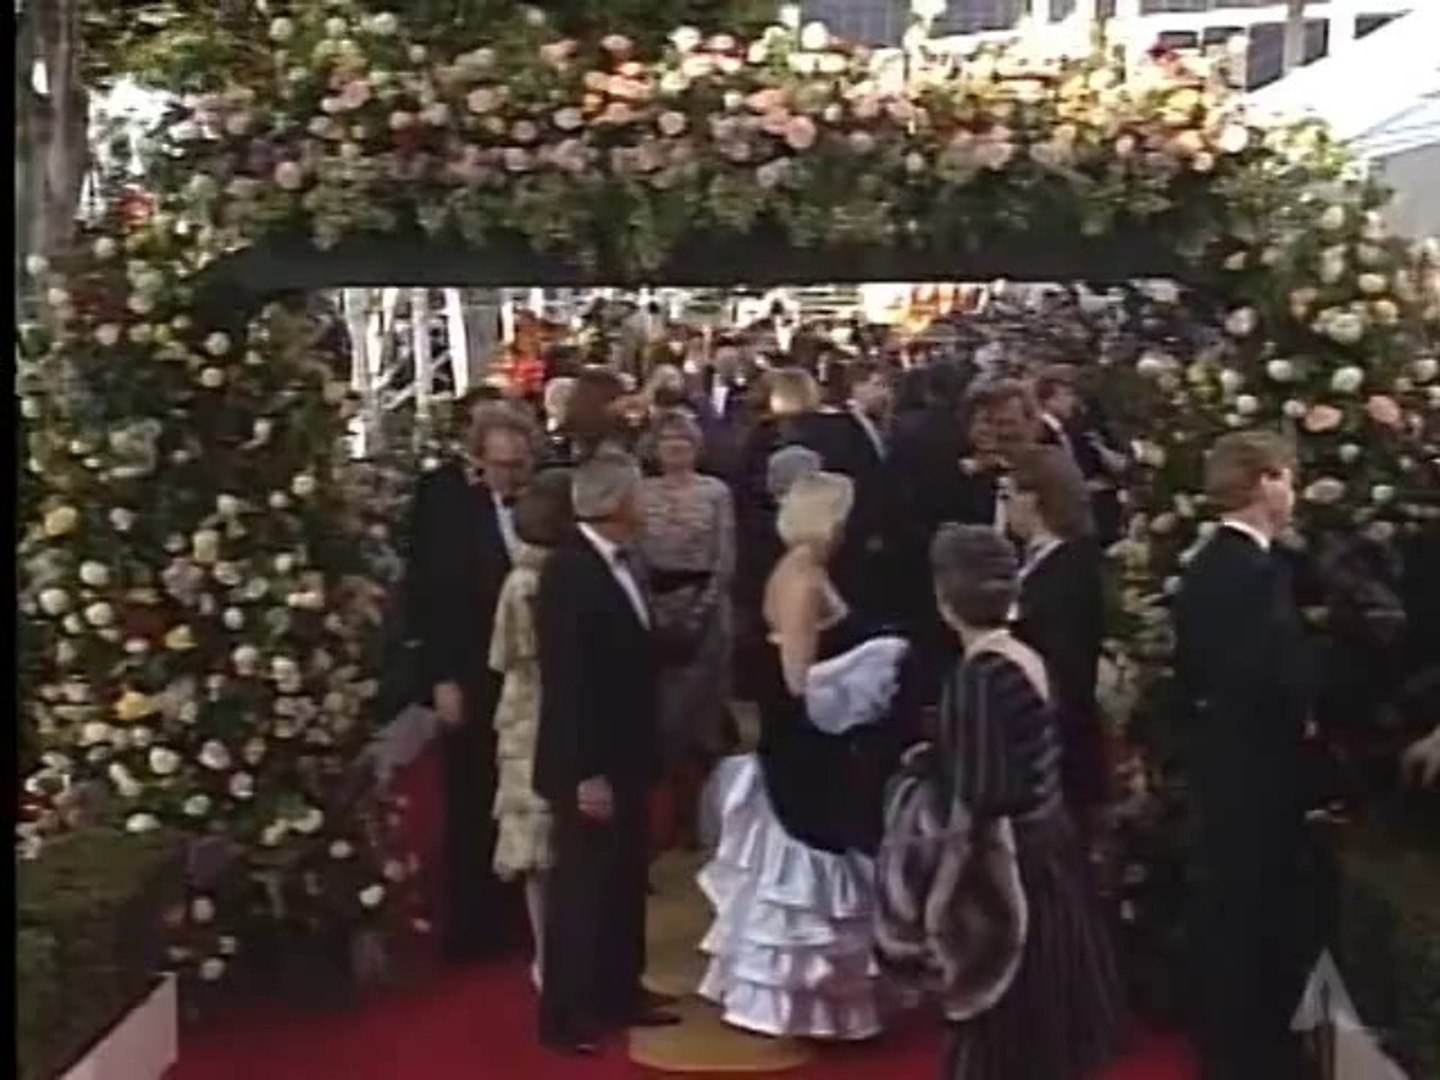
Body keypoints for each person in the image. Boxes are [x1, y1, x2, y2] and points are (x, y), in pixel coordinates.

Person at [699, 471, 901, 1040]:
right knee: (811, 860)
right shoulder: (803, 580)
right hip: (806, 743)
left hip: (809, 740)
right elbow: (796, 679)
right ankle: (800, 1003)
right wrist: (867, 671)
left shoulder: (801, 569)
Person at [930, 524, 1125, 1080]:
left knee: (1005, 1037)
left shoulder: (979, 677)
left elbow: (984, 795)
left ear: (946, 600)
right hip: (1048, 852)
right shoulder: (1023, 655)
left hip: (1008, 877)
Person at [1174, 431, 1316, 1080]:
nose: (1292, 491)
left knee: (1235, 905)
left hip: (1224, 760)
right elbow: (1270, 675)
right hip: (1258, 768)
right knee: (1253, 911)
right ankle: (1250, 1053)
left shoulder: (1210, 563)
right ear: (1263, 482)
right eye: (1286, 477)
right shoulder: (1254, 573)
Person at [533, 451, 677, 1056]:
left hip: (629, 751)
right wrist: (585, 773)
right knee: (582, 889)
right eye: (638, 496)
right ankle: (566, 1014)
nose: (646, 505)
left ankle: (620, 989)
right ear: (615, 504)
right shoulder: (569, 573)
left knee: (622, 880)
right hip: (588, 760)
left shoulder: (621, 562)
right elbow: (569, 682)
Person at [403, 399, 535, 965]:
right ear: (478, 459)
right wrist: (441, 678)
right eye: (503, 465)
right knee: (471, 794)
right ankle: (472, 925)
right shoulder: (443, 502)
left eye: (520, 465)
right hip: (468, 665)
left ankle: (521, 911)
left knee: (525, 792)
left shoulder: (541, 497)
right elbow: (426, 594)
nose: (513, 476)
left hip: (528, 673)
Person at [489, 469, 574, 991]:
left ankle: (554, 953)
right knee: (540, 841)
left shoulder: (528, 577)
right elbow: (514, 653)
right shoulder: (533, 583)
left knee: (544, 842)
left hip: (529, 712)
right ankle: (549, 957)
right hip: (536, 713)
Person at [638, 410, 738, 848]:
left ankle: (709, 817)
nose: (675, 450)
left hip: (707, 612)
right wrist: (653, 610)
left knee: (704, 719)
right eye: (667, 442)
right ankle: (672, 820)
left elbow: (726, 556)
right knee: (664, 722)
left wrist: (701, 610)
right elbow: (633, 554)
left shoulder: (716, 492)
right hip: (655, 612)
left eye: (683, 442)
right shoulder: (639, 493)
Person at [1007, 446, 1110, 842]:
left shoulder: (1069, 569)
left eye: (1009, 494)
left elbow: (1067, 666)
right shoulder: (1039, 560)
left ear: (1034, 498)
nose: (1007, 507)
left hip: (1061, 748)